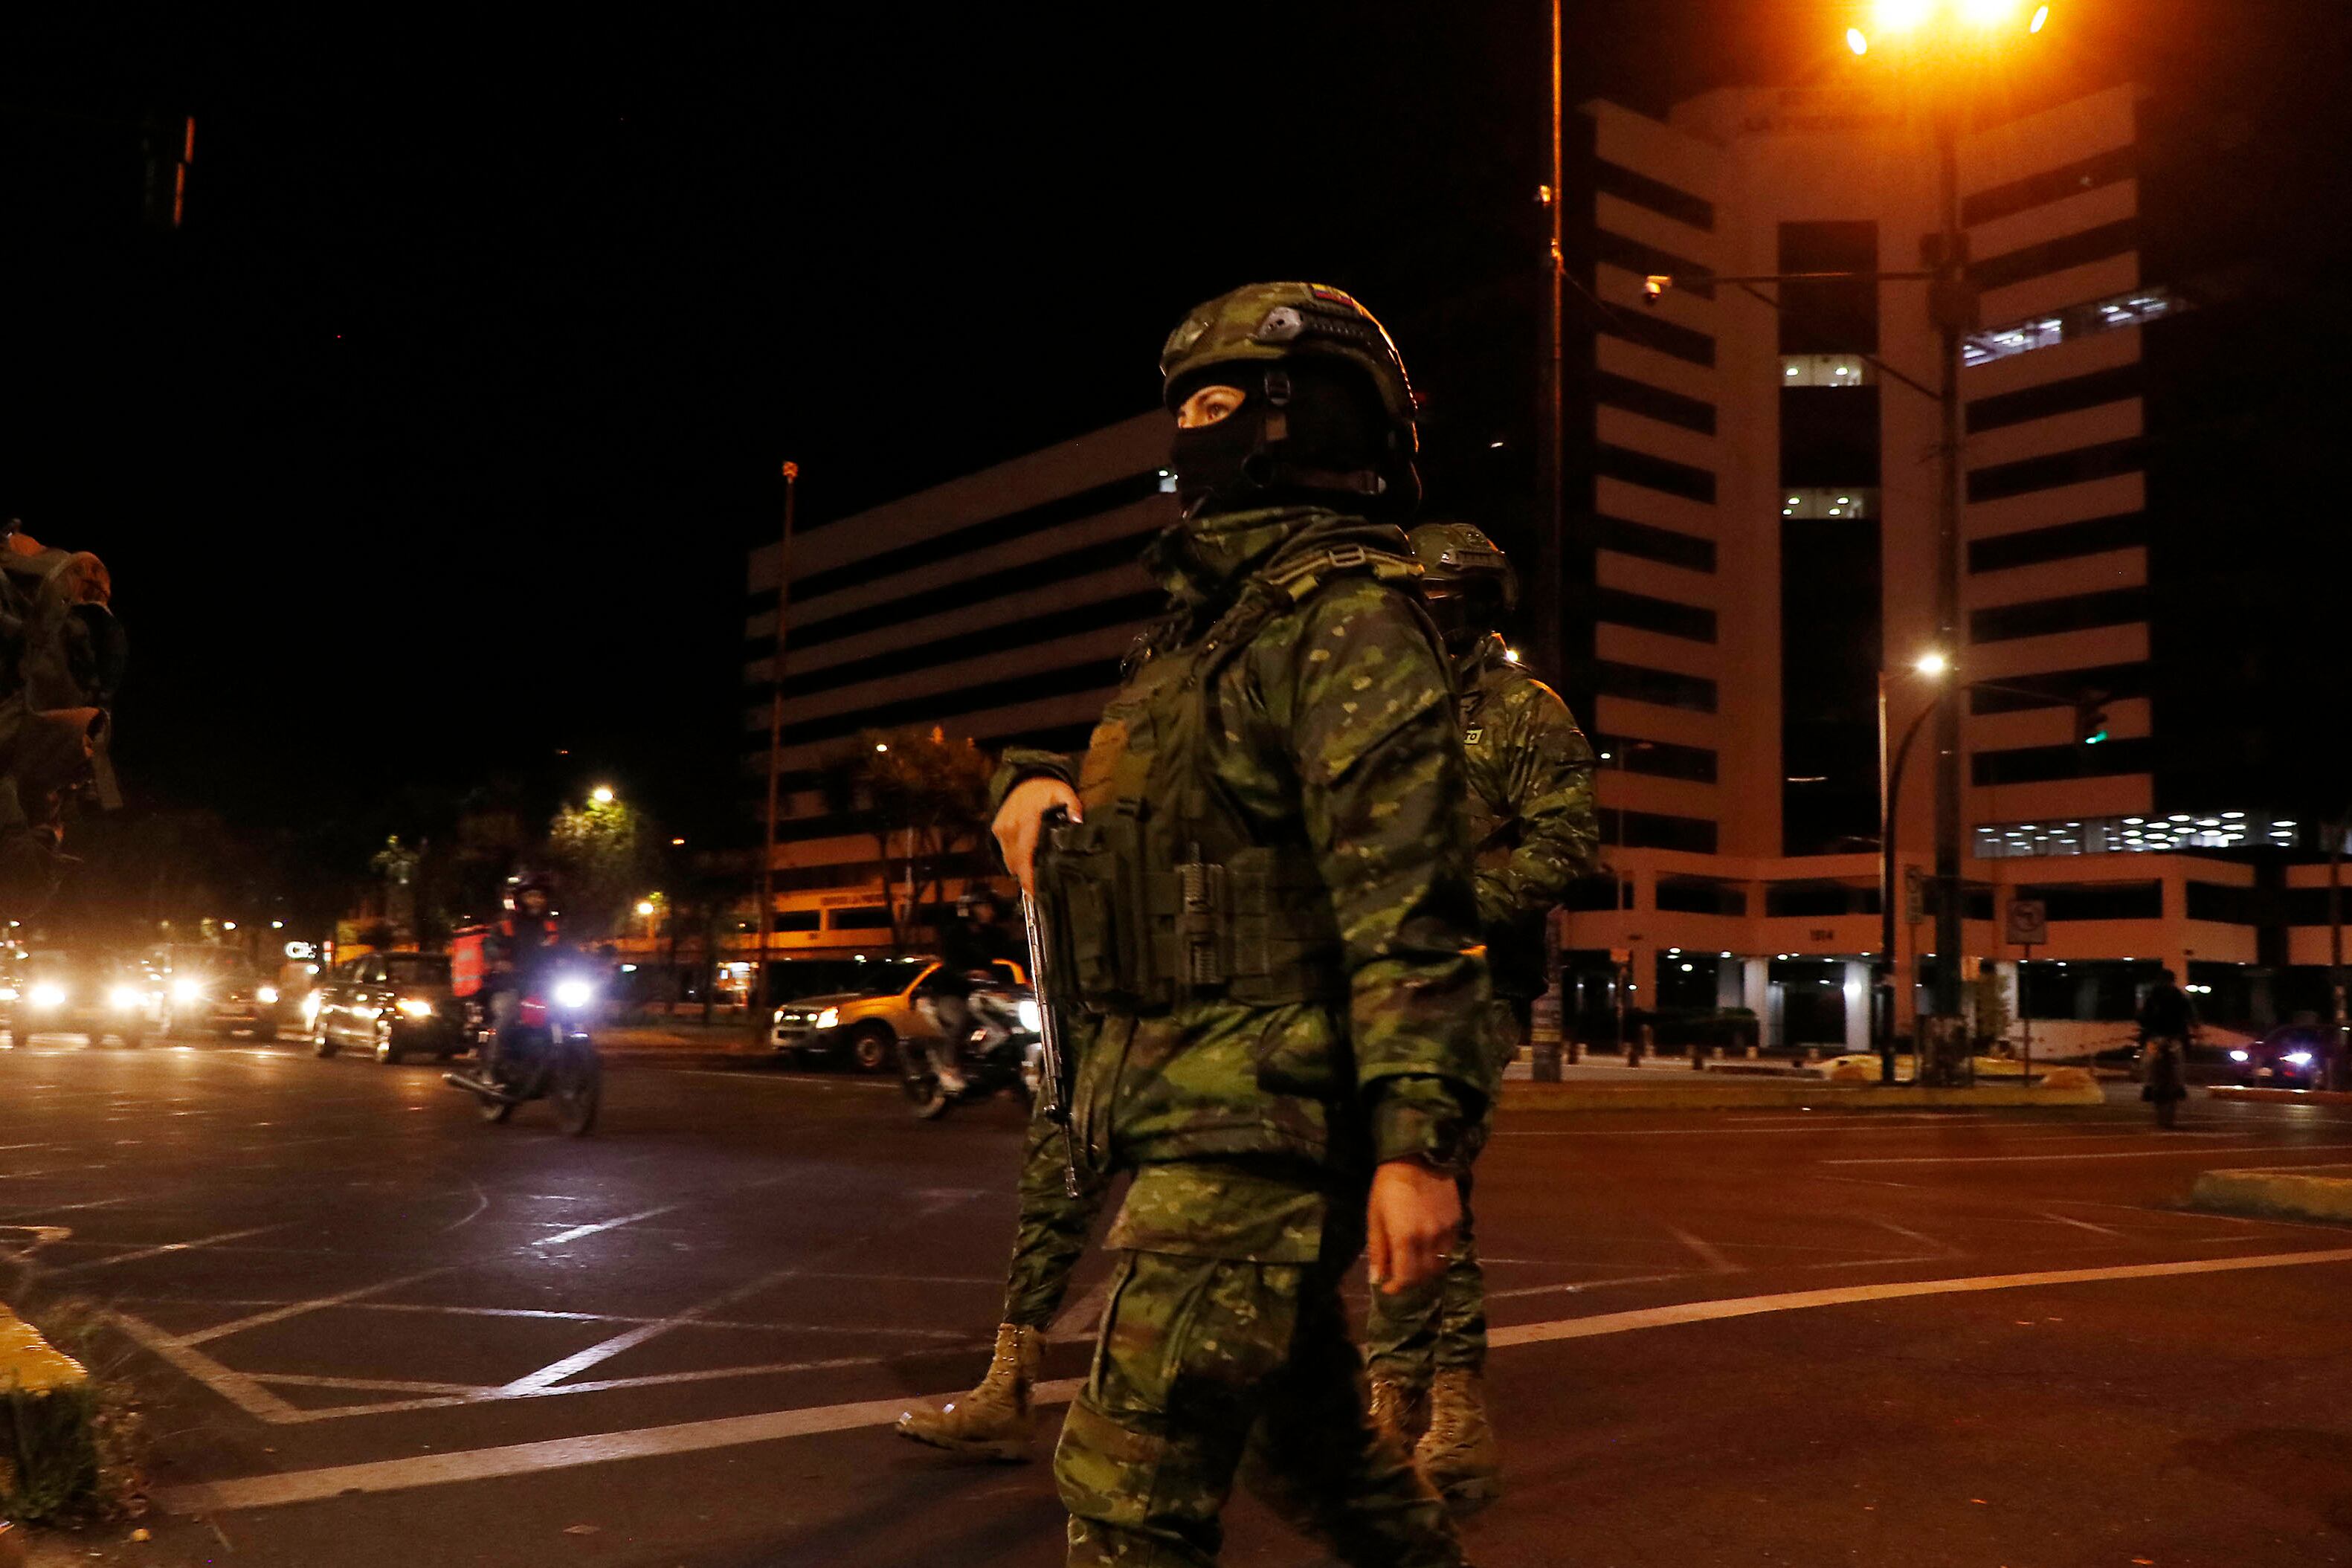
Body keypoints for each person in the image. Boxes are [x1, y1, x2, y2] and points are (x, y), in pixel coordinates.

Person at [987, 281, 1488, 1567]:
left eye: (1215, 404)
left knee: (1126, 1474)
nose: (1186, 435)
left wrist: (1414, 1143)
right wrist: (1029, 779)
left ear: (1296, 413)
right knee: (1308, 1438)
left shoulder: (1347, 617)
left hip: (1261, 1117)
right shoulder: (1202, 633)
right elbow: (1161, 810)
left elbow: (1405, 899)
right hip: (1180, 1096)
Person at [1356, 521, 1598, 1512]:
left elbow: (1566, 847)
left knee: (1430, 1166)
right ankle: (1402, 1392)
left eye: (1442, 601)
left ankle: (1438, 1401)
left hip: (1470, 981)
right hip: (1374, 978)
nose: (1426, 616)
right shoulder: (1378, 710)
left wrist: (1460, 905)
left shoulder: (1522, 712)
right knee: (1388, 1177)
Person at [480, 875, 560, 1080]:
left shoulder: (550, 927)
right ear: (520, 899)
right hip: (508, 986)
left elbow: (566, 950)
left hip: (541, 988)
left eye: (540, 896)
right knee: (508, 1016)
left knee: (568, 1014)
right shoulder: (506, 924)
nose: (536, 900)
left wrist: (590, 964)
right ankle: (491, 1070)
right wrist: (498, 960)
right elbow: (490, 944)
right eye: (531, 896)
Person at [2137, 967, 2197, 1129]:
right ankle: (2149, 1086)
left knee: (2178, 1061)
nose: (2166, 984)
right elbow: (2143, 1016)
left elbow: (2191, 1015)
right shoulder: (2152, 998)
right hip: (2155, 1037)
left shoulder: (2180, 998)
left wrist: (2194, 1027)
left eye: (2168, 981)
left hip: (2174, 1037)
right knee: (2148, 1062)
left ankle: (2179, 1086)